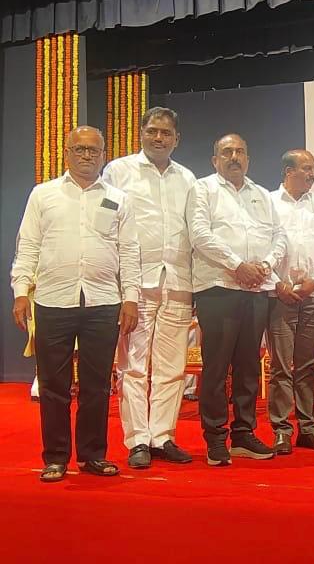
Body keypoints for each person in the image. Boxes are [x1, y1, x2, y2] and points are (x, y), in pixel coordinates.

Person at [11, 125, 141, 482]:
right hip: (53, 300)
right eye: (79, 149)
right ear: (67, 153)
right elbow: (28, 245)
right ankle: (55, 457)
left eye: (93, 150)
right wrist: (21, 290)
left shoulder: (119, 198)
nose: (86, 155)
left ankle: (92, 455)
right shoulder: (43, 195)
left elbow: (130, 251)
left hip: (104, 301)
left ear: (103, 155)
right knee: (53, 385)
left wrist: (131, 298)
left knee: (97, 386)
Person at [103, 107, 196, 469]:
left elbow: (195, 232)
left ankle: (163, 436)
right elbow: (105, 225)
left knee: (173, 367)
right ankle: (138, 439)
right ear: (141, 133)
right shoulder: (119, 171)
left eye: (166, 132)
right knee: (133, 366)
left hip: (178, 281)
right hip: (135, 285)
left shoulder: (187, 178)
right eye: (153, 131)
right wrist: (118, 284)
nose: (159, 138)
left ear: (177, 139)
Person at [187, 133, 288, 466]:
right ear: (215, 160)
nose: (234, 157)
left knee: (248, 367)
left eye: (240, 152)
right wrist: (237, 265)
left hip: (256, 289)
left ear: (248, 159)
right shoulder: (203, 189)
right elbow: (199, 234)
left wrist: (266, 266)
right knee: (216, 367)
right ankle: (216, 438)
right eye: (227, 152)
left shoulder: (261, 194)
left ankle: (244, 434)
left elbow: (279, 236)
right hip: (218, 288)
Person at [267, 149, 314, 454]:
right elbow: (260, 247)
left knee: (307, 367)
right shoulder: (268, 202)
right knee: (281, 367)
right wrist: (276, 283)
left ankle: (308, 429)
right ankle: (281, 430)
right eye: (306, 168)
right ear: (288, 172)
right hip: (278, 295)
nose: (312, 174)